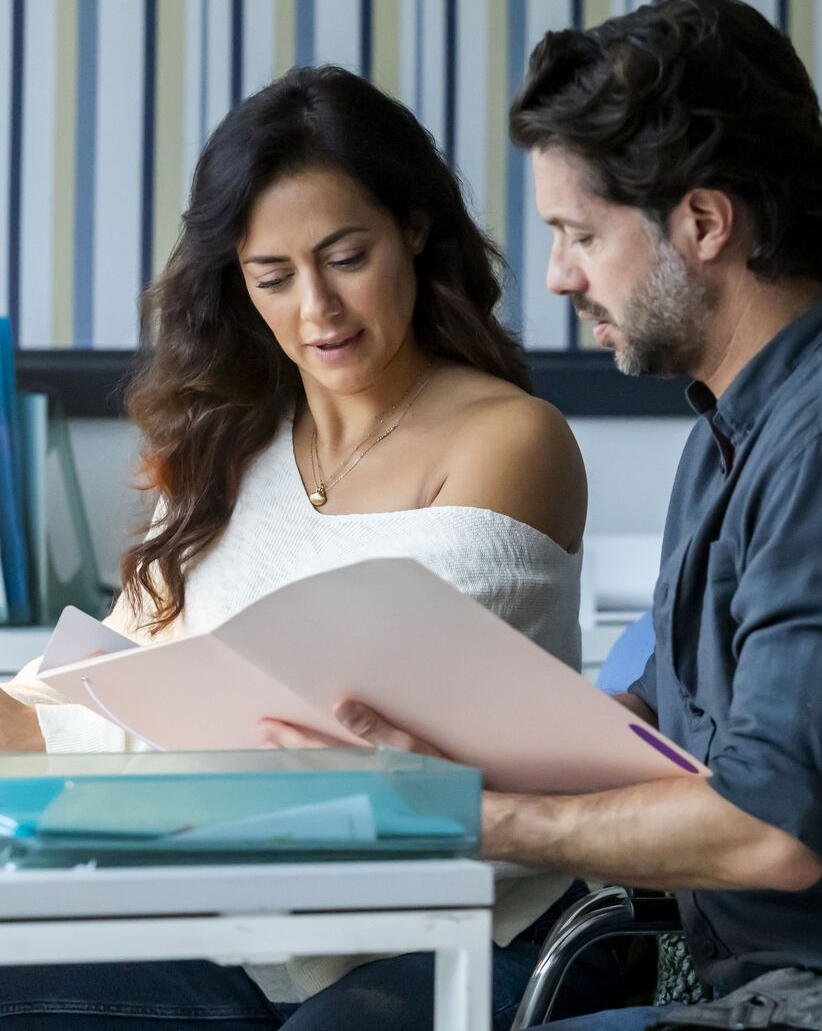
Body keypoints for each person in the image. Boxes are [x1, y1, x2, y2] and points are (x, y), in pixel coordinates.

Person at [324, 0, 822, 1030]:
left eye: (580, 234)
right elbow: (661, 736)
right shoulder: (737, 433)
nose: (557, 274)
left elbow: (771, 827)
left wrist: (489, 822)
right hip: (776, 994)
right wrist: (438, 757)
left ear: (704, 223)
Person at [0, 65, 617, 1029]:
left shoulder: (508, 440)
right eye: (274, 277)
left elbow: (336, 747)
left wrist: (62, 730)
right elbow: (111, 673)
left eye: (346, 257)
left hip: (459, 932)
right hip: (239, 934)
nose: (318, 310)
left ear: (414, 230)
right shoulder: (223, 443)